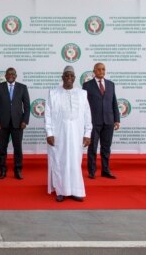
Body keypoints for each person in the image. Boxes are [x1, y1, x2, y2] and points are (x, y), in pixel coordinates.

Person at [44, 66, 92, 202]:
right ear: (62, 77)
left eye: (71, 76)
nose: (69, 78)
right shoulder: (53, 93)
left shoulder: (82, 94)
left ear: (75, 78)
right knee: (59, 161)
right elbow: (47, 114)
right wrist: (49, 132)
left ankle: (75, 190)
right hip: (58, 133)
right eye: (66, 75)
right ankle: (61, 190)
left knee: (75, 162)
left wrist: (87, 133)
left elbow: (87, 114)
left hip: (76, 135)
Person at [83, 62, 120, 179]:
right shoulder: (87, 85)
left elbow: (114, 102)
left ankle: (105, 170)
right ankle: (92, 171)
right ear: (94, 71)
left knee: (106, 148)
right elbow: (84, 105)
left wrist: (117, 120)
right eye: (98, 69)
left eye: (103, 69)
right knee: (92, 148)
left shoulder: (111, 84)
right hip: (93, 122)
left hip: (109, 121)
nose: (101, 71)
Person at [0, 67, 30, 180]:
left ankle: (18, 170)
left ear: (16, 76)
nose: (10, 75)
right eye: (8, 74)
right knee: (2, 148)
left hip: (18, 124)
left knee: (18, 148)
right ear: (5, 75)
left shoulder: (22, 88)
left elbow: (27, 106)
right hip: (1, 124)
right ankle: (2, 170)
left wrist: (25, 120)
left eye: (12, 74)